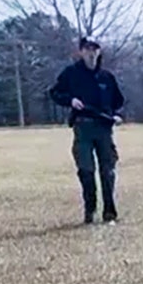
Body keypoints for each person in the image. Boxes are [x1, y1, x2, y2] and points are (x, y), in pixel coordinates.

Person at [49, 37, 126, 224]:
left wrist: (117, 115)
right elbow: (55, 93)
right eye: (87, 49)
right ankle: (90, 209)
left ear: (99, 52)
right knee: (86, 170)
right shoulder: (71, 73)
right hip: (83, 127)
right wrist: (70, 100)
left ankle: (109, 212)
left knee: (108, 171)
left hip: (104, 129)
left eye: (94, 49)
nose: (91, 53)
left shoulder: (106, 77)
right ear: (81, 52)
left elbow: (118, 102)